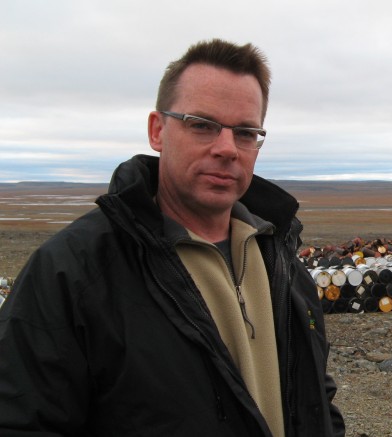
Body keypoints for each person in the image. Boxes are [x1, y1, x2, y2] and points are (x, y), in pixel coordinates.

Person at [0, 39, 345, 436]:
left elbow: (316, 395)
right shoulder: (73, 272)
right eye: (202, 125)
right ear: (157, 130)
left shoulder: (281, 259)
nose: (227, 148)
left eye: (246, 132)